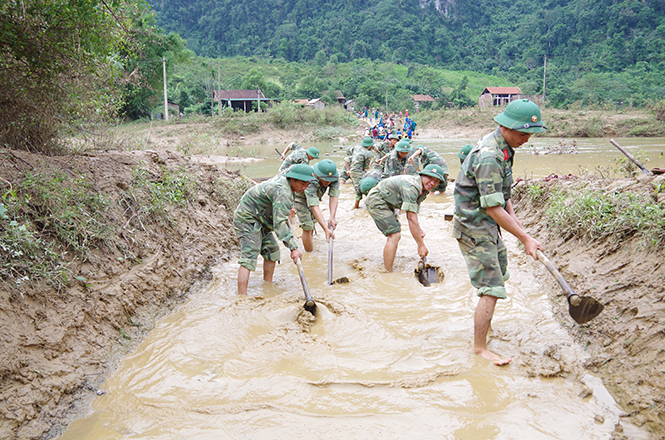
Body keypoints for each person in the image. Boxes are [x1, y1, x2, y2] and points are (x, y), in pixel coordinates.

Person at [453, 99, 546, 366]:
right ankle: (480, 349)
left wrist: (520, 231)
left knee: (498, 275)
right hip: (474, 227)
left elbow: (502, 197)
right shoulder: (490, 155)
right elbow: (493, 207)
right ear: (505, 126)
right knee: (491, 287)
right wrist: (525, 238)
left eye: (530, 133)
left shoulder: (505, 148)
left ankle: (485, 326)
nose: (527, 139)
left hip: (487, 223)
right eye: (523, 133)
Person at [233, 164, 316, 295]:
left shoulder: (288, 185)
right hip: (248, 218)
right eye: (302, 183)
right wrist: (293, 247)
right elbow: (279, 224)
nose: (304, 187)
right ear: (292, 179)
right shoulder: (283, 191)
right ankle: (242, 297)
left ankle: (268, 288)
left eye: (307, 184)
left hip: (262, 218)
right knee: (249, 255)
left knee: (272, 251)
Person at [366, 164, 446, 272]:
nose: (432, 183)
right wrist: (421, 245)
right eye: (430, 178)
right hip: (377, 200)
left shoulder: (423, 189)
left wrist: (418, 230)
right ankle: (388, 273)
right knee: (394, 234)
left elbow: (414, 212)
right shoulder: (412, 187)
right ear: (422, 175)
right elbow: (411, 218)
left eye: (436, 181)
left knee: (395, 233)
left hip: (388, 201)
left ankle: (388, 265)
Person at [294, 159, 339, 252]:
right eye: (325, 180)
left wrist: (332, 217)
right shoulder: (310, 179)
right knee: (307, 226)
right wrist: (326, 229)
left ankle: (310, 241)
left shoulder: (335, 177)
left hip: (315, 196)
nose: (327, 182)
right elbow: (314, 206)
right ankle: (310, 254)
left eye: (330, 180)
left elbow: (333, 196)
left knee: (313, 221)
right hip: (300, 197)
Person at [350, 136, 378, 209]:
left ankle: (357, 205)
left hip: (351, 170)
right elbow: (366, 167)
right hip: (358, 173)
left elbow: (348, 152)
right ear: (369, 146)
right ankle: (360, 206)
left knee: (358, 188)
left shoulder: (356, 147)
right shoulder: (368, 153)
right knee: (362, 188)